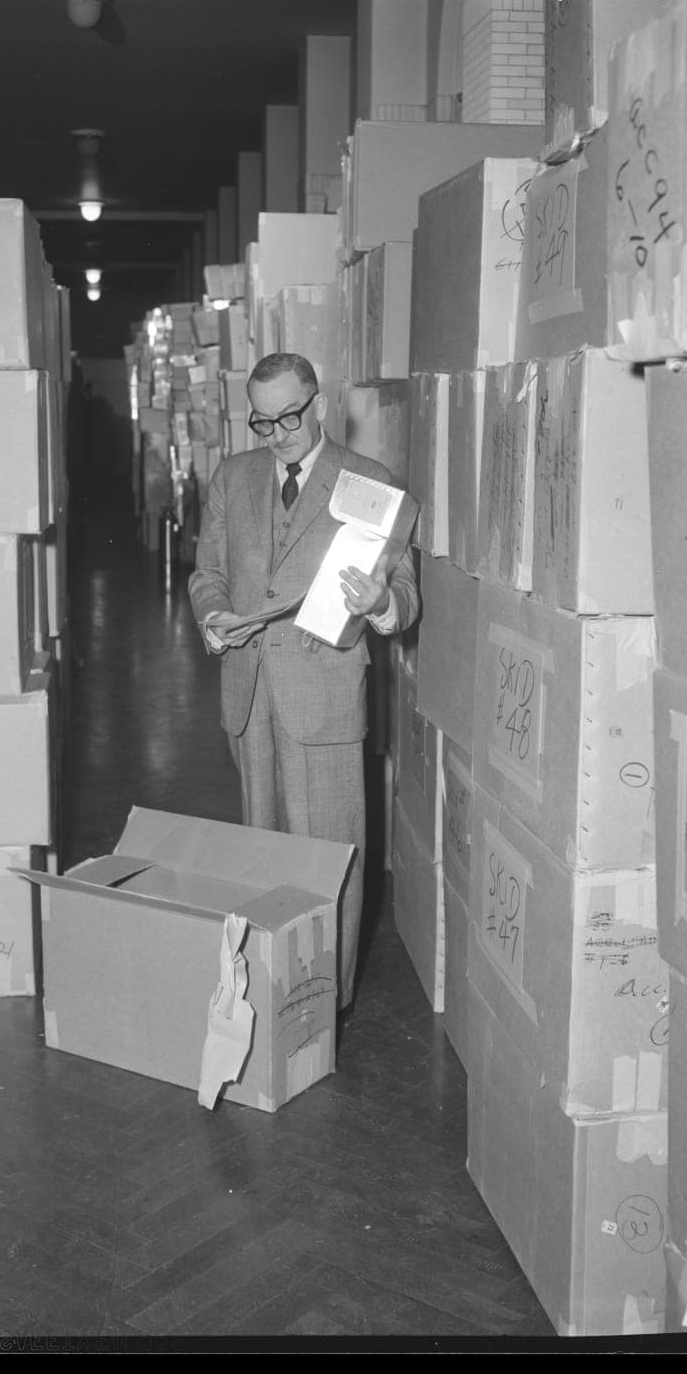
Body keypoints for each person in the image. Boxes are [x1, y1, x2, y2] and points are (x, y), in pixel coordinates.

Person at [189, 352, 419, 1013]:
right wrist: (211, 617)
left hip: (322, 694)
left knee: (325, 858)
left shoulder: (369, 481)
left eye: (289, 415)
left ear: (320, 402)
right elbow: (207, 571)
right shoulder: (233, 478)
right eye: (262, 422)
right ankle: (265, 992)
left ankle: (322, 1007)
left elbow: (404, 590)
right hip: (249, 690)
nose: (278, 433)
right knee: (260, 854)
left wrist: (381, 602)